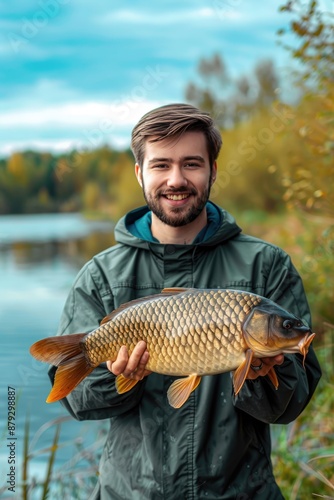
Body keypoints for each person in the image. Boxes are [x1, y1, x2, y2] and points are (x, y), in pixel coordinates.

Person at [49, 103, 321, 499]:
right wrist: (114, 375)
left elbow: (293, 403)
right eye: (161, 165)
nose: (176, 179)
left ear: (212, 170)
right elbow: (76, 401)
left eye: (191, 164)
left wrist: (263, 376)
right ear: (140, 172)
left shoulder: (267, 265)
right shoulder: (100, 275)